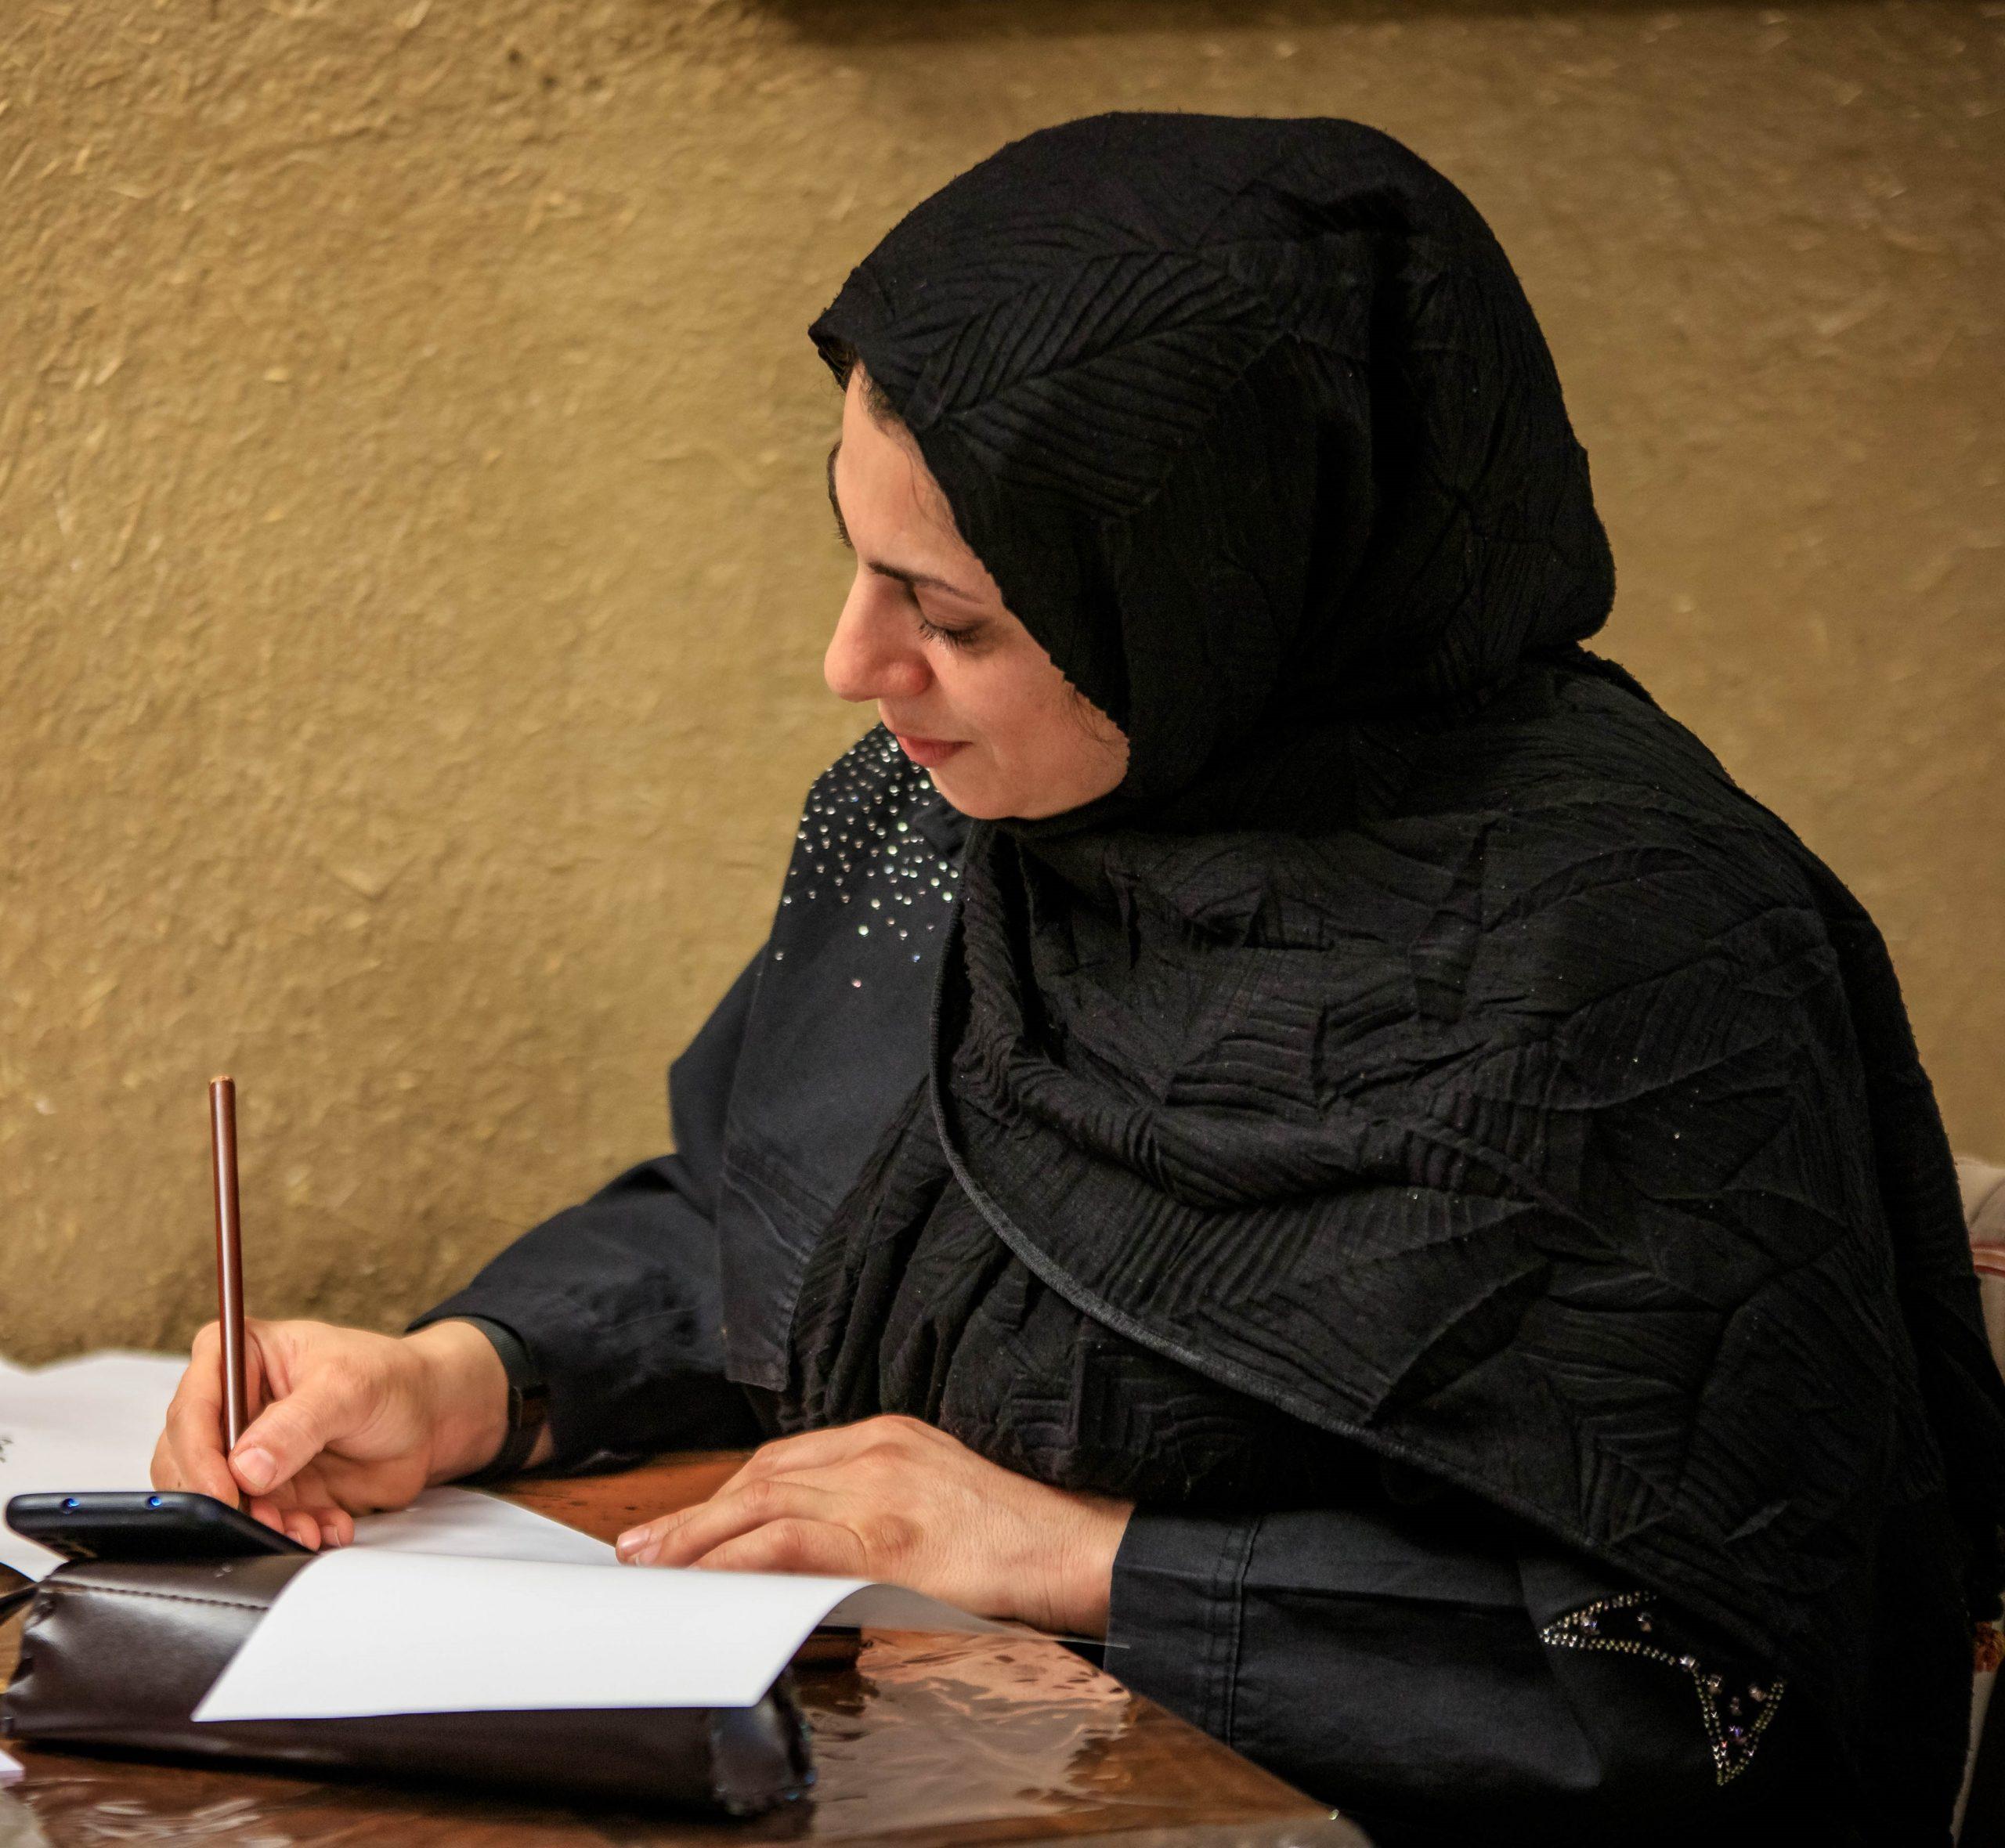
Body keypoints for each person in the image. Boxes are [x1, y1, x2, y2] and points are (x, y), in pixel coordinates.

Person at [152, 113, 2005, 1844]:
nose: (849, 661)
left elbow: (1706, 1688)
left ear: (1209, 599)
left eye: (950, 615)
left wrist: (1075, 1552)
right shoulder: (965, 822)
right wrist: (468, 1374)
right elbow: (789, 1197)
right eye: (852, 553)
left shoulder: (1617, 969)